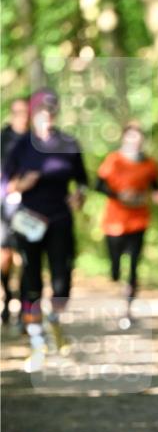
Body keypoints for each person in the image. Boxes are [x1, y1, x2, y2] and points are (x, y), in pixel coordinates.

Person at [2, 89, 88, 372]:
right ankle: (37, 343)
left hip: (60, 219)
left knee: (62, 280)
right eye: (42, 111)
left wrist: (79, 196)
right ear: (33, 113)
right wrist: (20, 186)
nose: (47, 115)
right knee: (31, 281)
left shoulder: (68, 142)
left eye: (51, 110)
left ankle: (55, 322)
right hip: (28, 221)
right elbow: (5, 184)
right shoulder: (21, 146)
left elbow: (82, 180)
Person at [95, 121, 158, 327]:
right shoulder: (113, 160)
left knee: (134, 264)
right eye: (131, 137)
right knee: (116, 266)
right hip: (115, 221)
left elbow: (156, 185)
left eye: (138, 137)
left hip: (139, 219)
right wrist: (119, 195)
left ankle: (128, 307)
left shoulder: (149, 164)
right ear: (124, 138)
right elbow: (98, 185)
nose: (135, 141)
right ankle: (115, 274)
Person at [1, 96, 30, 324]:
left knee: (26, 256)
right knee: (4, 256)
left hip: (29, 204)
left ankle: (21, 305)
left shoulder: (37, 139)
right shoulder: (3, 138)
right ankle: (8, 296)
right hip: (4, 204)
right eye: (18, 112)